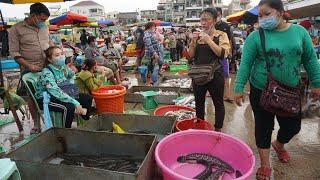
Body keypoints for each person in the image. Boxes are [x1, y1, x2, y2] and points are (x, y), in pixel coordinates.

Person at [234, 0, 320, 179]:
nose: (263, 19)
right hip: (261, 90)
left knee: (292, 127)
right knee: (263, 127)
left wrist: (317, 84)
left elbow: (310, 59)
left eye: (267, 14)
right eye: (260, 15)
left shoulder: (299, 32)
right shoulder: (255, 37)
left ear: (281, 12)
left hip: (290, 91)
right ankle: (265, 165)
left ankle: (279, 144)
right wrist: (238, 87)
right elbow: (245, 64)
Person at [8, 2, 51, 133]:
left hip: (46, 66)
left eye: (45, 20)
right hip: (28, 69)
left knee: (50, 92)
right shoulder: (16, 29)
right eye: (42, 19)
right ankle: (37, 124)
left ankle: (51, 119)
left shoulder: (44, 27)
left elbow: (48, 43)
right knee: (32, 96)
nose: (43, 22)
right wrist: (29, 66)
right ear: (33, 16)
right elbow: (14, 53)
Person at [188, 8, 230, 132]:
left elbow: (223, 54)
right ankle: (200, 129)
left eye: (207, 20)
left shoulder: (221, 35)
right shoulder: (198, 35)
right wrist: (193, 42)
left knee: (218, 103)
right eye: (202, 20)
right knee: (199, 103)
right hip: (198, 75)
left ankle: (218, 131)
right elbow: (191, 55)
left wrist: (209, 41)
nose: (203, 23)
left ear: (215, 20)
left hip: (215, 75)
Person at [35, 46, 89, 128]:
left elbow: (71, 74)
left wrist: (68, 67)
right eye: (57, 55)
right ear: (49, 59)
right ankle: (65, 131)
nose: (61, 57)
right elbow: (55, 91)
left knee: (86, 98)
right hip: (47, 99)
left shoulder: (62, 67)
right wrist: (74, 102)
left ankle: (85, 124)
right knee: (68, 107)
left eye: (62, 54)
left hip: (62, 93)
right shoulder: (46, 73)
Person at [215, 7, 235, 103]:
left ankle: (226, 95)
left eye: (218, 15)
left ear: (221, 15)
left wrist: (230, 52)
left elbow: (230, 40)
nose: (217, 16)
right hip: (213, 55)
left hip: (223, 55)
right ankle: (210, 93)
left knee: (226, 75)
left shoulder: (226, 26)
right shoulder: (211, 25)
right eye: (215, 15)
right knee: (211, 75)